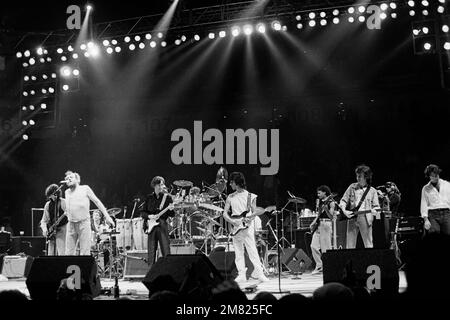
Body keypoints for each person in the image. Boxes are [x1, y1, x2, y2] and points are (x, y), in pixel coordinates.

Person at [222, 172, 269, 283]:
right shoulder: (230, 197)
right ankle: (241, 274)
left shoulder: (250, 196)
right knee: (238, 251)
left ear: (236, 183)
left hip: (247, 226)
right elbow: (224, 213)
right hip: (235, 226)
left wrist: (250, 218)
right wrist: (232, 221)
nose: (230, 185)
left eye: (231, 182)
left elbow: (253, 211)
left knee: (252, 249)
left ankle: (260, 273)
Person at [64, 171, 115, 255]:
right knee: (68, 252)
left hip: (83, 223)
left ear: (77, 179)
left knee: (84, 252)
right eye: (67, 178)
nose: (68, 179)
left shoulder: (85, 188)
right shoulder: (67, 192)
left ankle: (84, 267)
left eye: (71, 177)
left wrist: (107, 216)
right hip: (71, 224)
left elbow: (97, 202)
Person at [339, 165, 380, 248]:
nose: (357, 178)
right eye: (357, 176)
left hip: (365, 217)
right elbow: (343, 200)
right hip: (352, 217)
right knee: (350, 245)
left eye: (360, 176)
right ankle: (350, 261)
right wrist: (344, 210)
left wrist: (375, 213)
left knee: (368, 244)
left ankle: (370, 260)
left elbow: (377, 207)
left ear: (366, 177)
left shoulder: (372, 191)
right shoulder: (352, 187)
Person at [140, 176, 175, 267]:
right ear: (154, 185)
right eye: (159, 184)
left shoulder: (167, 198)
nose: (161, 186)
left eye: (162, 184)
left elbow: (172, 214)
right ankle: (151, 274)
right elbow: (142, 213)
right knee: (151, 252)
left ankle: (168, 272)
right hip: (151, 227)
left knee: (166, 250)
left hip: (162, 225)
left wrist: (171, 209)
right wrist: (149, 216)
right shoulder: (149, 198)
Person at [310, 185, 335, 275]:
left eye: (319, 193)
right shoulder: (320, 202)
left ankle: (328, 267)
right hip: (319, 224)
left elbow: (331, 217)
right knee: (313, 246)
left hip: (326, 224)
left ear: (325, 192)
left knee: (325, 248)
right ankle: (320, 266)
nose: (318, 194)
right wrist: (313, 222)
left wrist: (327, 210)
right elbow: (319, 214)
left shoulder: (331, 202)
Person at [420, 164, 450, 235]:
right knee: (434, 237)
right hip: (433, 215)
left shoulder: (447, 185)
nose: (435, 178)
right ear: (429, 176)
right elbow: (424, 204)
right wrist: (426, 220)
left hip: (447, 213)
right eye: (432, 176)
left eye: (436, 175)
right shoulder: (426, 188)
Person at [40, 184, 68, 255]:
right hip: (51, 232)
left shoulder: (64, 202)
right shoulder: (47, 205)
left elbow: (70, 215)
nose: (50, 197)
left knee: (62, 252)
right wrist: (45, 230)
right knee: (50, 254)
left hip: (62, 230)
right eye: (49, 195)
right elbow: (44, 220)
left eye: (51, 195)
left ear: (56, 194)